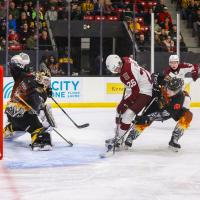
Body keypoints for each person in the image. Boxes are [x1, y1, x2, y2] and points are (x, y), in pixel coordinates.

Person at [124, 75, 193, 152]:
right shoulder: (165, 80)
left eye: (173, 91)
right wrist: (154, 81)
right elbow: (152, 76)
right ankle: (131, 136)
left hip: (169, 110)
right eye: (168, 89)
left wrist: (148, 118)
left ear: (179, 90)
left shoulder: (180, 99)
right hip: (156, 101)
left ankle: (174, 139)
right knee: (143, 119)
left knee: (188, 116)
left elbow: (165, 114)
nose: (169, 92)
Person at [3, 53, 55, 151]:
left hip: (11, 113)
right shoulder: (30, 80)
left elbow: (16, 68)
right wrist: (42, 110)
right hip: (21, 115)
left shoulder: (20, 76)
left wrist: (45, 88)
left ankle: (10, 129)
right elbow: (35, 100)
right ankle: (40, 142)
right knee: (38, 128)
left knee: (20, 124)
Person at [105, 55, 153, 150]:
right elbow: (133, 87)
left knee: (128, 114)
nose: (116, 71)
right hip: (137, 86)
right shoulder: (125, 60)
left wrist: (126, 103)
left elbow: (135, 92)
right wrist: (123, 104)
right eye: (114, 70)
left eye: (116, 69)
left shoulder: (126, 73)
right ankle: (118, 136)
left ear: (119, 63)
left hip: (145, 91)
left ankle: (119, 139)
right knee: (119, 110)